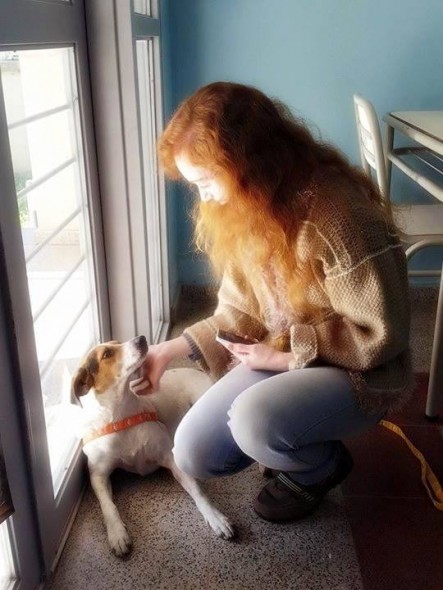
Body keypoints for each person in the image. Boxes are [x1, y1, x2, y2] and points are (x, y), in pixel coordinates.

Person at [143, 81, 413, 523]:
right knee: (193, 452)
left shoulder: (338, 217)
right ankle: (295, 434)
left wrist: (285, 356)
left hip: (359, 367)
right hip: (285, 351)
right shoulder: (246, 208)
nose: (204, 196)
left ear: (248, 163)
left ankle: (321, 467)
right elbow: (240, 311)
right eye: (195, 184)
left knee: (254, 421)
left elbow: (381, 335)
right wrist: (169, 352)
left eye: (207, 180)